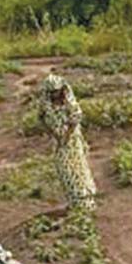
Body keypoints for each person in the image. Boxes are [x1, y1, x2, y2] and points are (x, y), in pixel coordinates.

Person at [37, 74, 97, 210]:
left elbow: (74, 120)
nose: (55, 94)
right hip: (58, 141)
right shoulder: (46, 103)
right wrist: (53, 133)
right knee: (64, 170)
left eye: (57, 91)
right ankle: (73, 200)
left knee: (78, 168)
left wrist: (65, 136)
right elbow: (41, 118)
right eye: (52, 92)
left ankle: (85, 199)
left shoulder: (69, 102)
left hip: (72, 142)